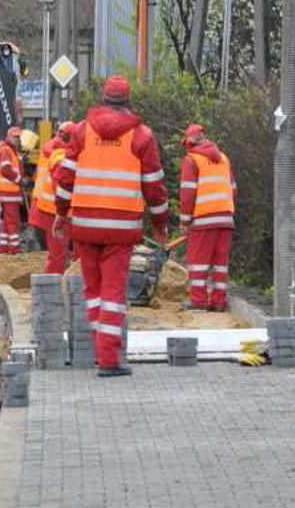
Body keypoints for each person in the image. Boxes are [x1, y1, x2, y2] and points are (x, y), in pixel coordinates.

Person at [53, 76, 169, 377]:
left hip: (85, 226)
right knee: (113, 292)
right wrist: (160, 224)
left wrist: (61, 214)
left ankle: (99, 350)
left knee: (93, 291)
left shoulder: (80, 131)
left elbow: (65, 179)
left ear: (103, 98)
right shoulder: (142, 136)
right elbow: (154, 187)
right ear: (128, 101)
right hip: (120, 227)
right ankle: (108, 359)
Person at [178, 124, 236, 312]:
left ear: (191, 142)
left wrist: (185, 221)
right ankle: (219, 302)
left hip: (203, 219)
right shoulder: (224, 159)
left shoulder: (192, 159)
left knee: (198, 262)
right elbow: (233, 189)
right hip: (226, 219)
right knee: (220, 263)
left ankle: (199, 301)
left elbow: (187, 193)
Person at [29, 121, 75, 273]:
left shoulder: (52, 149)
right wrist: (65, 209)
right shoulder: (61, 156)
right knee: (58, 256)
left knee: (58, 254)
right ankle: (53, 289)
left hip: (45, 208)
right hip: (55, 212)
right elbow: (61, 184)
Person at [0, 126, 25, 254]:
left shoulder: (10, 150)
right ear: (8, 136)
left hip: (5, 192)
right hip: (8, 192)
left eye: (18, 137)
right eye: (14, 137)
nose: (17, 140)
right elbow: (6, 170)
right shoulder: (7, 150)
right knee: (13, 221)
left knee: (6, 222)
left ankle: (4, 248)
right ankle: (14, 248)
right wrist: (19, 179)